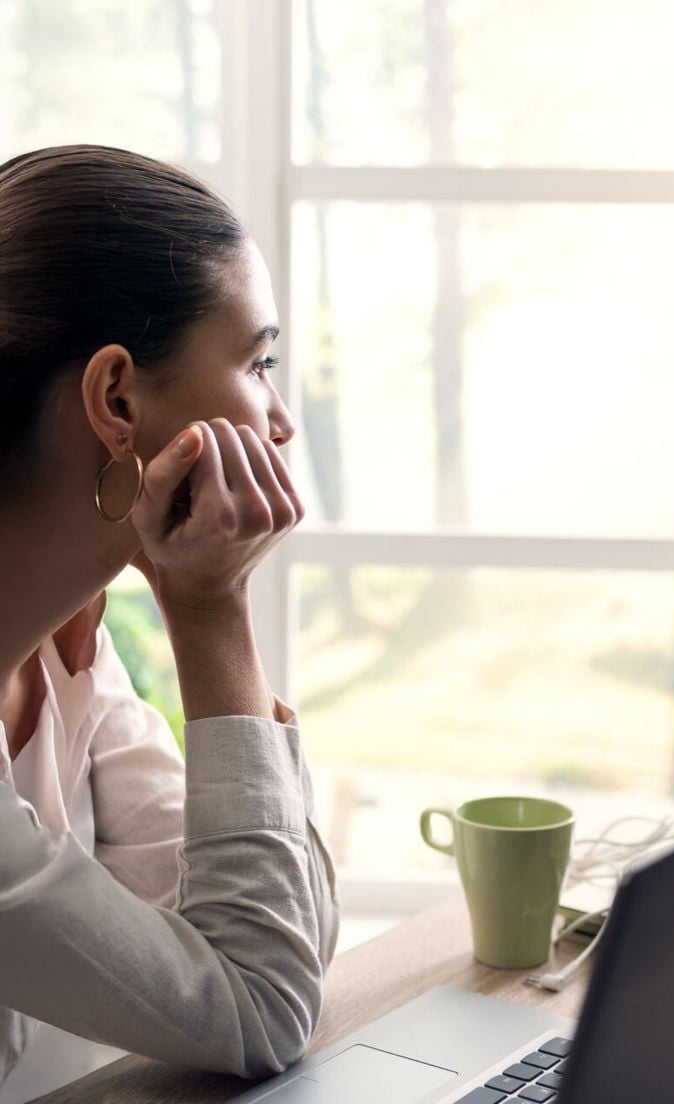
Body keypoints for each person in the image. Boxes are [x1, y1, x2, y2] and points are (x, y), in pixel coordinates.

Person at [0, 145, 339, 1093]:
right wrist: (209, 606)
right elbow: (261, 1011)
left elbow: (280, 942)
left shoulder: (69, 652)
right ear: (117, 399)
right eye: (257, 362)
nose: (279, 419)